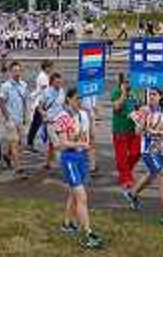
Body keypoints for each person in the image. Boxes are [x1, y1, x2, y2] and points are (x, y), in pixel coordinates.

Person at [54, 88, 104, 250]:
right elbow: (62, 144)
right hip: (69, 159)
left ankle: (67, 223)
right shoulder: (63, 117)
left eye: (80, 99)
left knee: (73, 194)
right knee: (82, 197)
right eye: (76, 99)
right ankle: (88, 232)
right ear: (68, 99)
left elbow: (87, 138)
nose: (79, 102)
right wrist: (79, 144)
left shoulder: (83, 115)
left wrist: (88, 151)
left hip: (81, 158)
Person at [125, 88, 163, 229]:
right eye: (149, 94)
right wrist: (143, 119)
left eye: (154, 94)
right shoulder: (144, 111)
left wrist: (156, 132)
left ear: (160, 96)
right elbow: (137, 132)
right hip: (149, 151)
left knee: (151, 175)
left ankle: (132, 194)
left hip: (161, 150)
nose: (151, 97)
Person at [111, 73, 142, 201]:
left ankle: (125, 173)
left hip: (134, 129)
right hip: (120, 129)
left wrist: (140, 121)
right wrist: (123, 93)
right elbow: (116, 107)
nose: (129, 84)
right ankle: (126, 179)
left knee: (136, 153)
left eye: (130, 82)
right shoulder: (116, 92)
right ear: (122, 83)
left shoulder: (135, 92)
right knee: (122, 156)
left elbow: (139, 108)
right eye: (127, 82)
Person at [0, 61, 29, 176]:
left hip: (20, 118)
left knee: (20, 143)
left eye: (18, 70)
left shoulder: (24, 85)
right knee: (15, 142)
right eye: (14, 70)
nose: (17, 73)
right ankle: (18, 167)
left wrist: (26, 116)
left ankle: (7, 155)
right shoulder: (6, 86)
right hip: (11, 120)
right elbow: (1, 101)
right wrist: (7, 118)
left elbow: (25, 101)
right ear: (10, 72)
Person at [27, 60, 53, 151]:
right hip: (40, 103)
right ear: (45, 67)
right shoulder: (43, 77)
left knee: (37, 123)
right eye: (49, 67)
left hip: (39, 103)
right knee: (36, 124)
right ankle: (30, 143)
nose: (50, 69)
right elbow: (44, 91)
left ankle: (31, 142)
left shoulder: (44, 76)